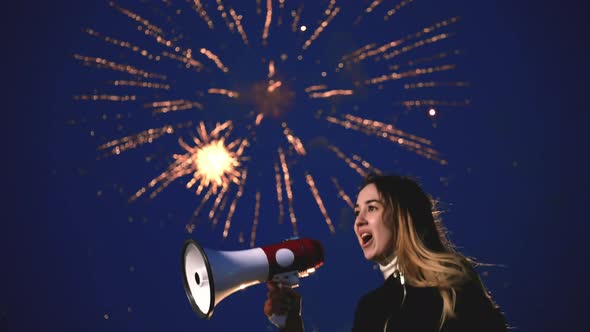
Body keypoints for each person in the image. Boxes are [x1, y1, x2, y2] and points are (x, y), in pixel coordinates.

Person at [264, 174, 507, 331]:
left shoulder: (451, 283)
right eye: (357, 211)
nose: (358, 221)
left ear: (402, 216)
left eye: (371, 208)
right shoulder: (372, 307)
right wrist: (292, 324)